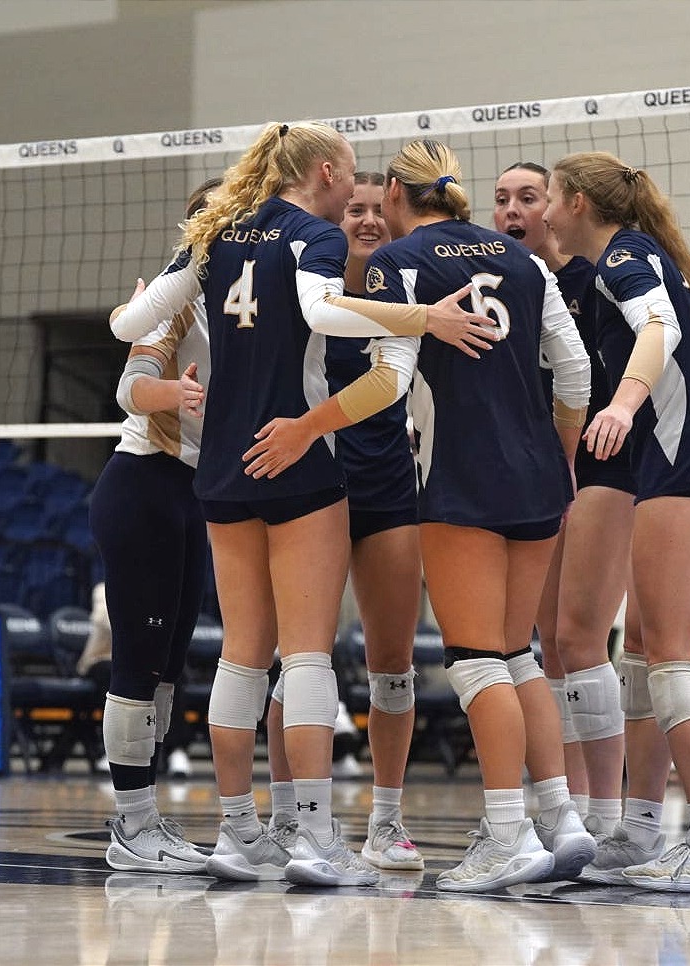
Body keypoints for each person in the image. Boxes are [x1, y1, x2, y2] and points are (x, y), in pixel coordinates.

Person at [109, 121, 490, 887]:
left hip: (221, 469)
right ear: (322, 169)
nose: (358, 190)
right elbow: (320, 313)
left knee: (241, 653)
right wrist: (424, 318)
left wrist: (144, 307)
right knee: (307, 652)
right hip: (298, 459)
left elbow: (126, 326)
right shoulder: (311, 237)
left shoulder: (214, 238)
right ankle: (315, 841)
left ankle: (238, 834)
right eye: (350, 173)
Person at [363, 138, 594, 892]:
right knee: (516, 651)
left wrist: (310, 424)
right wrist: (558, 453)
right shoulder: (525, 260)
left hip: (460, 476)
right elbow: (576, 370)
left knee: (473, 659)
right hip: (535, 474)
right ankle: (559, 817)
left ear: (396, 191)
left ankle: (507, 835)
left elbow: (388, 383)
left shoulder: (396, 263)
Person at [544, 150, 690, 892]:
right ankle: (637, 831)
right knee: (639, 656)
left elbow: (659, 331)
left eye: (546, 197)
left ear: (573, 202)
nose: (538, 211)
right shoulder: (648, 254)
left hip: (684, 465)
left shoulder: (620, 264)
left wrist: (623, 404)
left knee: (668, 659)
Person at [266, 170, 425, 871]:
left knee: (393, 664)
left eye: (374, 212)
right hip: (313, 485)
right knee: (300, 657)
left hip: (389, 485)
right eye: (351, 209)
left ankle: (385, 823)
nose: (364, 221)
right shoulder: (306, 290)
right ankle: (286, 818)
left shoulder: (405, 290)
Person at [87, 179, 219, 874]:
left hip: (190, 494)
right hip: (143, 484)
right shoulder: (180, 297)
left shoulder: (247, 305)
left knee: (169, 671)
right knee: (138, 667)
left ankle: (146, 819)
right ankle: (132, 827)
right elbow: (128, 388)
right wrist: (174, 391)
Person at [496, 161, 627, 838]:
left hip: (602, 471)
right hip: (533, 478)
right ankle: (562, 808)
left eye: (526, 197)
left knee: (581, 640)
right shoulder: (502, 286)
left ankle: (607, 813)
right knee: (539, 646)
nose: (512, 209)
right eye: (501, 199)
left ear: (555, 208)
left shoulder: (595, 277)